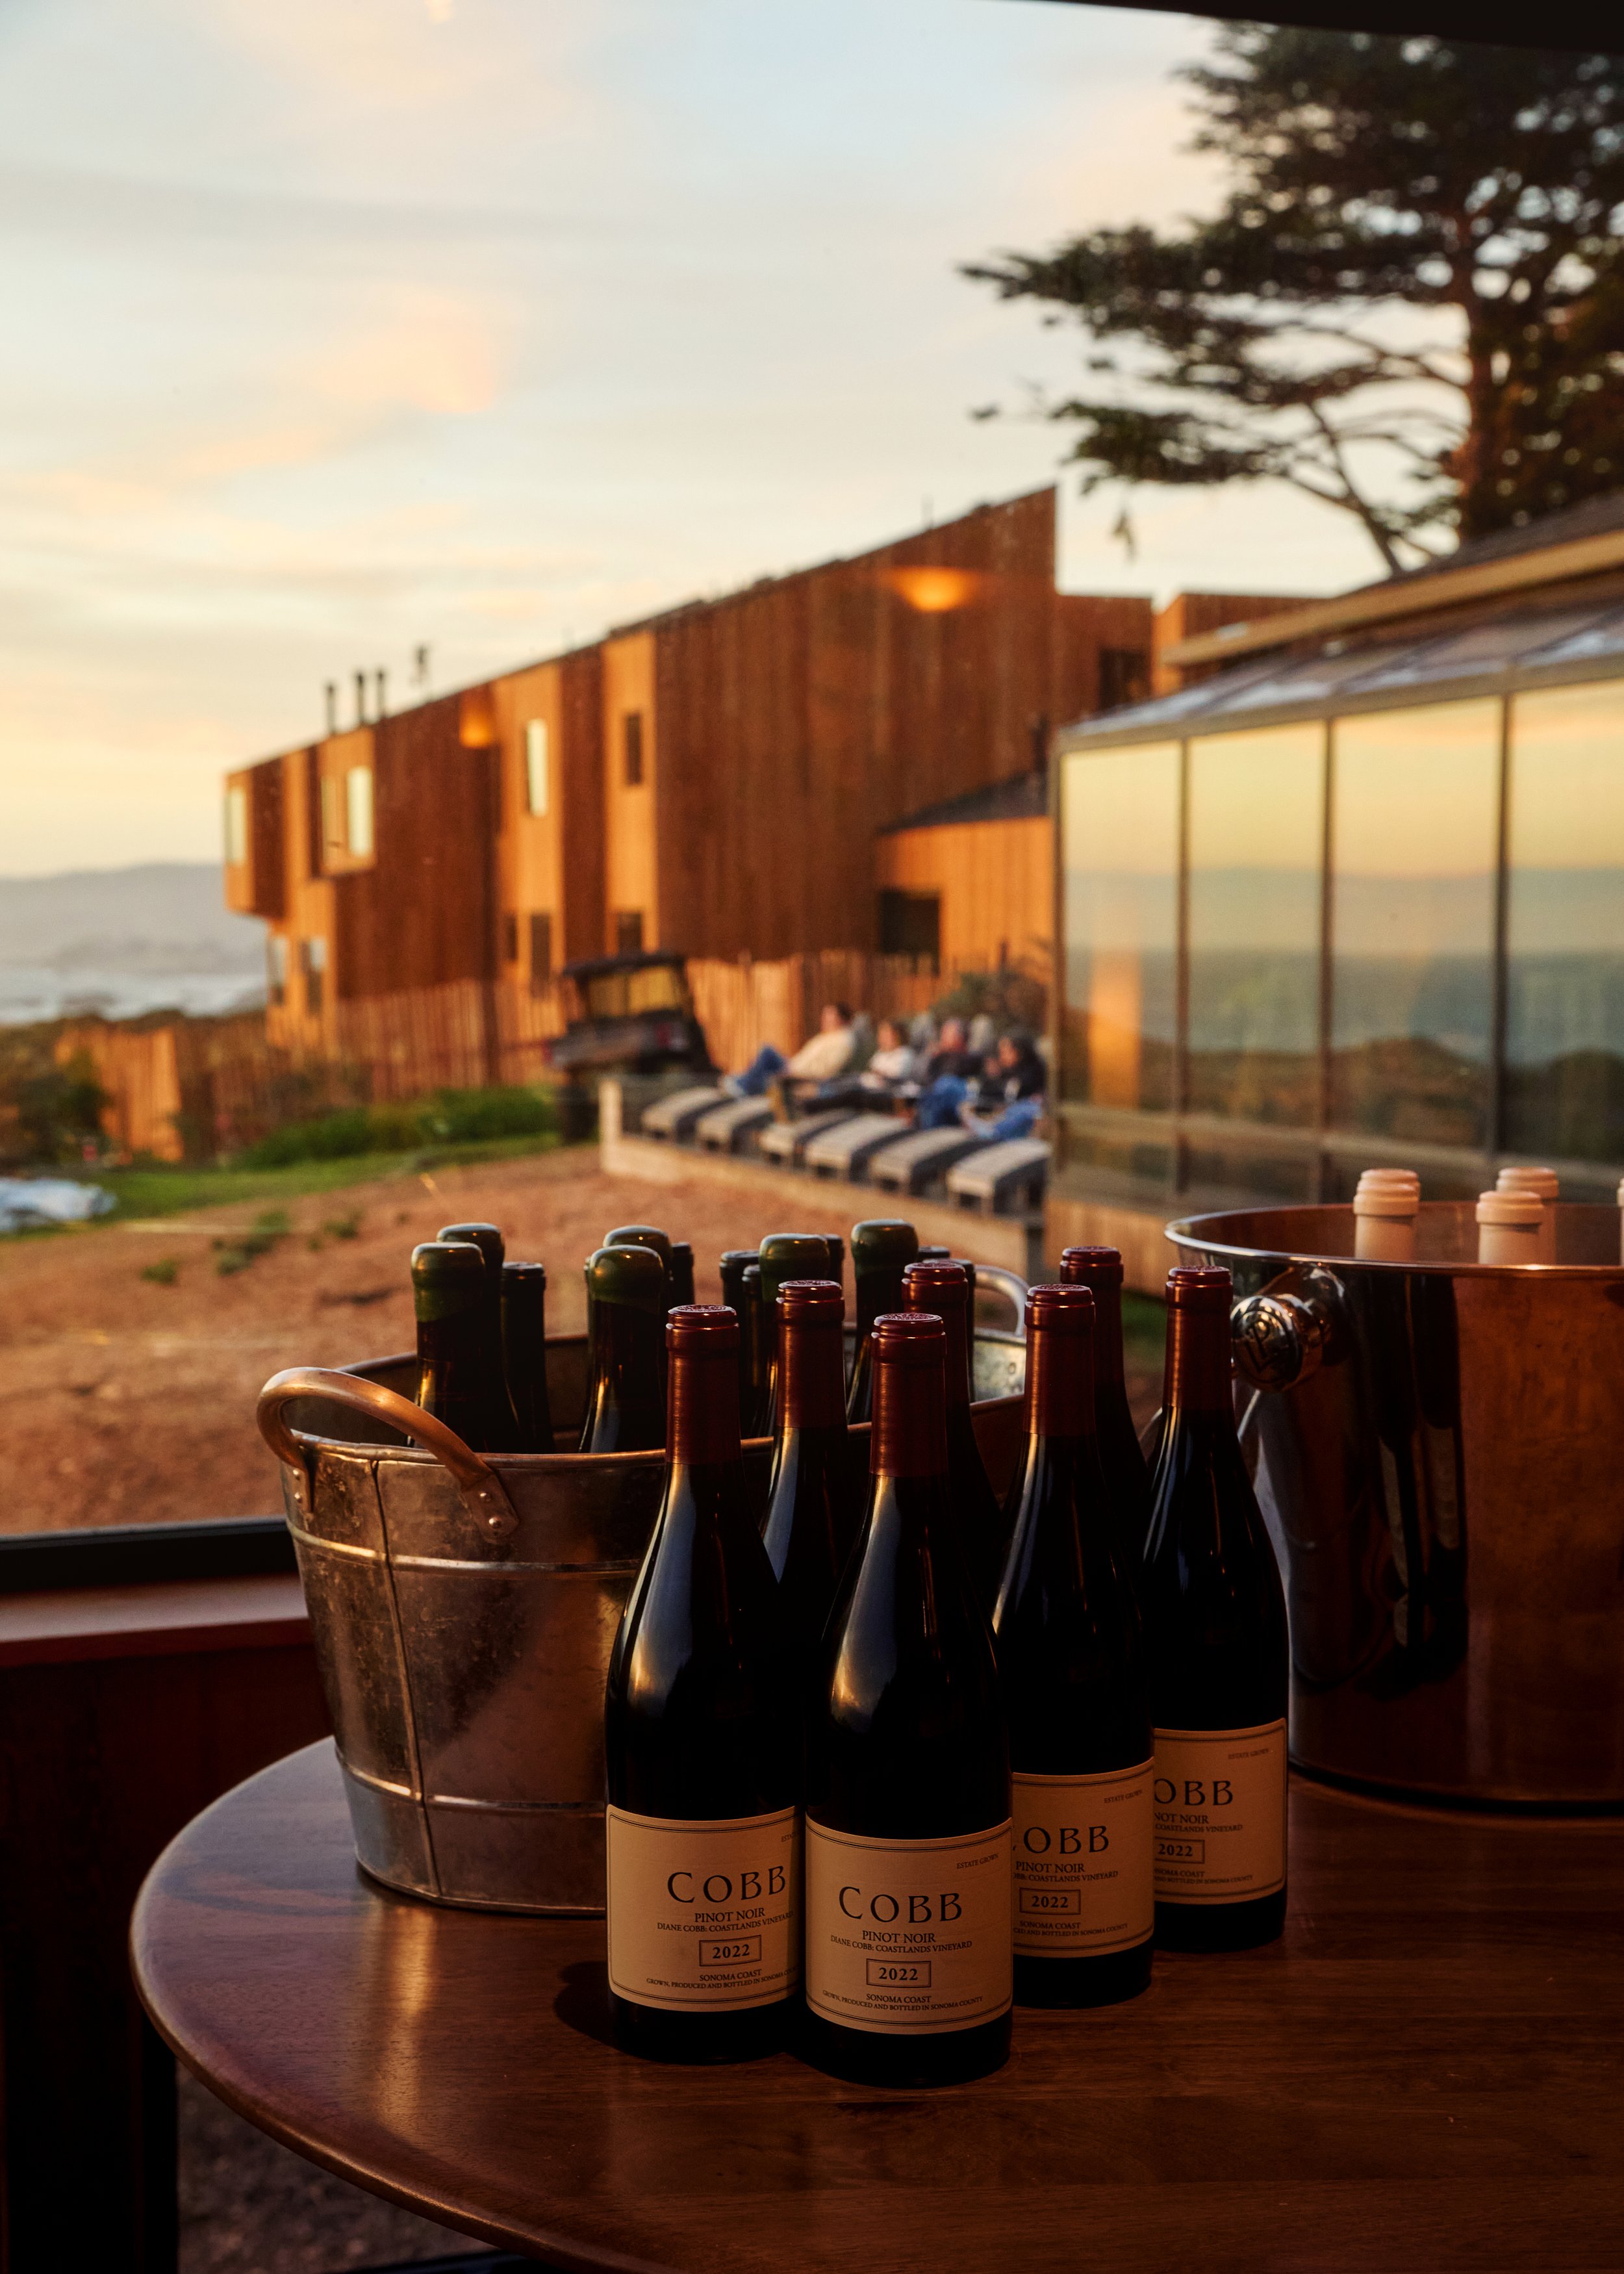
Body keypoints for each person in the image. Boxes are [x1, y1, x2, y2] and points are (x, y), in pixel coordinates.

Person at [724, 1002, 857, 1098]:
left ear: (840, 1019)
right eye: (824, 1016)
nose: (824, 1019)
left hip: (802, 1075)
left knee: (768, 1052)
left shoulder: (843, 1041)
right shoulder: (826, 1037)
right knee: (766, 1060)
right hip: (794, 1067)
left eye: (829, 1016)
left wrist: (798, 1072)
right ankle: (743, 1081)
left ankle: (743, 1085)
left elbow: (826, 1069)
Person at [958, 1032, 1047, 1143]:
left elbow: (1024, 1096)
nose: (1002, 1056)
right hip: (1001, 1113)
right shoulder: (1005, 1070)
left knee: (1027, 1108)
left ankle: (991, 1133)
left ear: (1019, 1053)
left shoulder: (1034, 1071)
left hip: (1023, 1114)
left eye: (1005, 1052)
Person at [911, 1017, 982, 1130]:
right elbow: (922, 1078)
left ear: (960, 1038)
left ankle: (928, 1131)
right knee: (929, 1094)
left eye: (946, 1033)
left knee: (945, 1084)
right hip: (938, 1100)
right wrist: (929, 1057)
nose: (942, 1037)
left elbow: (952, 1074)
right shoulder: (939, 1057)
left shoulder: (972, 1057)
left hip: (960, 1100)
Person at [859, 1018, 921, 1094]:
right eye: (880, 1035)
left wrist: (880, 1075)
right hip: (872, 1091)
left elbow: (896, 1077)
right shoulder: (880, 1054)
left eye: (886, 1035)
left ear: (897, 1036)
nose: (881, 1039)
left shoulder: (906, 1054)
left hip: (894, 1094)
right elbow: (870, 1073)